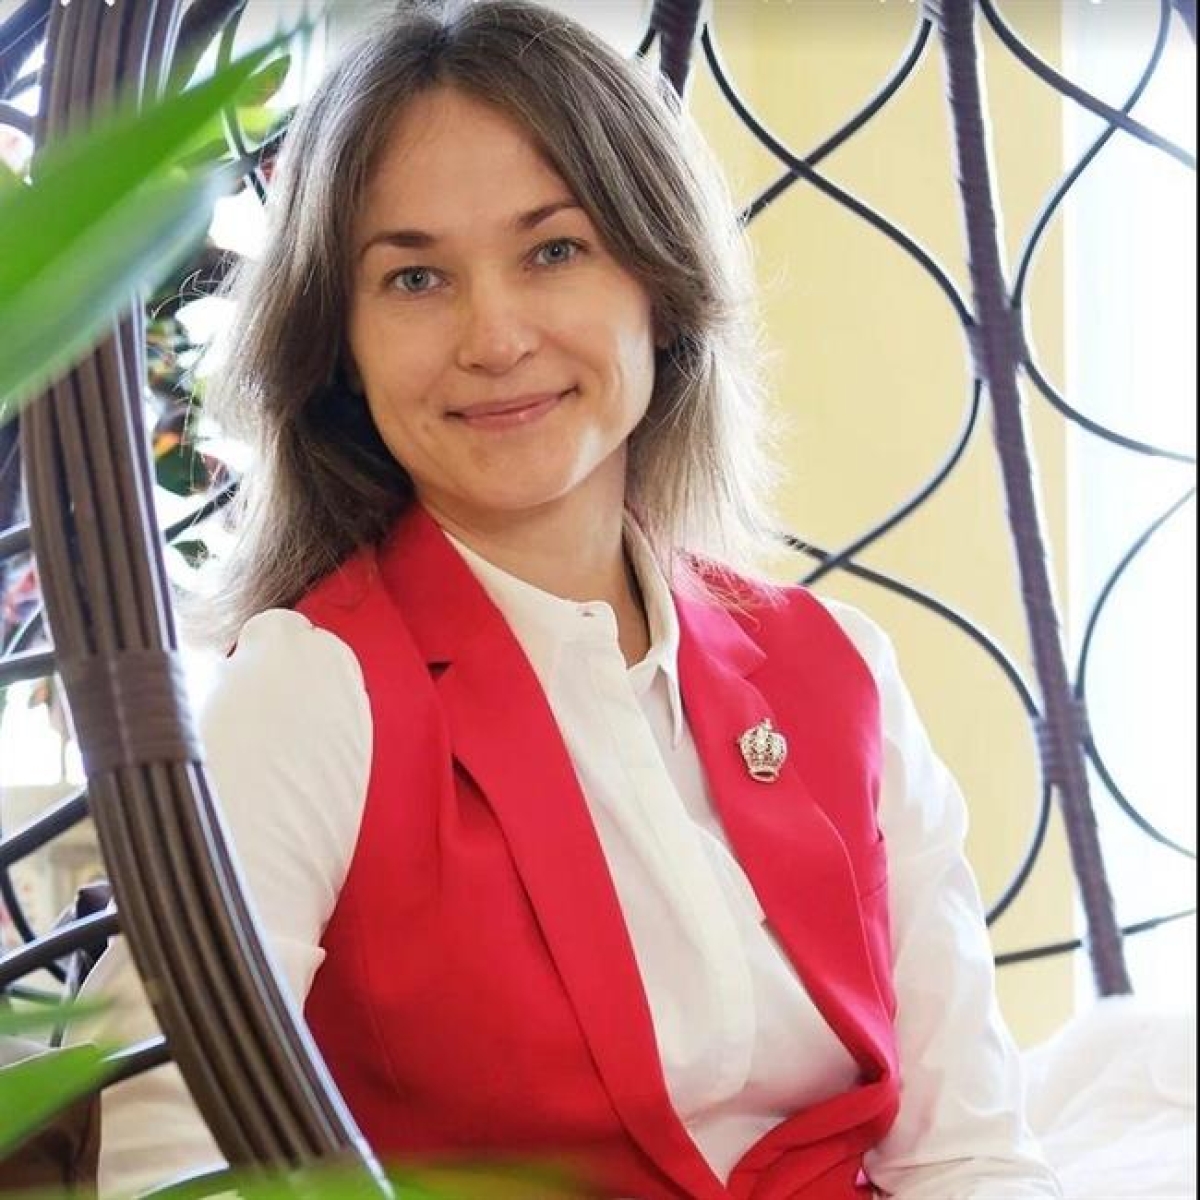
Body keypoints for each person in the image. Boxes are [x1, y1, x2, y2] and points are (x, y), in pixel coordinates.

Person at [79, 1, 1062, 1197]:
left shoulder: (836, 666)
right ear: (340, 349)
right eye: (415, 277)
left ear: (659, 280)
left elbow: (969, 1153)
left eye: (554, 250)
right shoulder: (309, 693)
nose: (494, 337)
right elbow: (159, 1166)